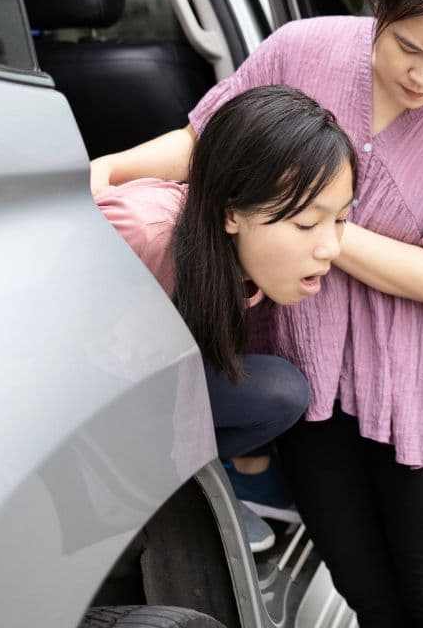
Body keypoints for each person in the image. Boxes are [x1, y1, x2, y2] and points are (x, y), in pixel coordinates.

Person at [90, 0, 423, 626]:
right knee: (366, 591)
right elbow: (207, 145)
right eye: (407, 46)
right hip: (310, 354)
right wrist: (100, 173)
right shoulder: (302, 49)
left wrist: (309, 221)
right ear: (378, 10)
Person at [95, 84, 357, 552]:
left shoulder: (241, 264)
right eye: (304, 224)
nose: (331, 248)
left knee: (281, 391)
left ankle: (187, 483)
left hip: (138, 383)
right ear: (232, 212)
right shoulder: (140, 230)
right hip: (74, 398)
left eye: (339, 220)